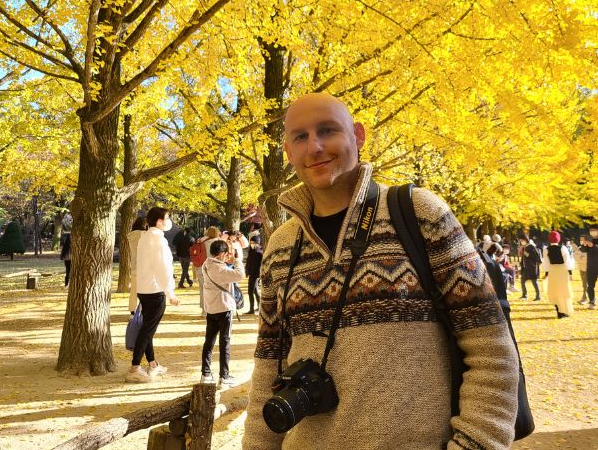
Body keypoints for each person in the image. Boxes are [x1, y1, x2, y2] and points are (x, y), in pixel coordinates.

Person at [242, 92, 518, 450]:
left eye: (328, 130)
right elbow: (268, 371)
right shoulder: (281, 246)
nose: (315, 146)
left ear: (358, 135)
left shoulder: (420, 214)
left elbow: (492, 352)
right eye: (300, 136)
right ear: (288, 151)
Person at [126, 207, 180, 383]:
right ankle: (135, 367)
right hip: (155, 290)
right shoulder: (158, 240)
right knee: (147, 330)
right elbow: (162, 267)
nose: (168, 221)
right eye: (167, 218)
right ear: (159, 221)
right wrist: (170, 292)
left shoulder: (144, 237)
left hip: (143, 288)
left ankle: (153, 364)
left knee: (147, 329)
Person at [200, 239, 245, 387]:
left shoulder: (206, 264)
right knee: (225, 342)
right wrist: (237, 260)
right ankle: (224, 376)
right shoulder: (221, 269)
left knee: (209, 341)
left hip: (211, 308)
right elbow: (240, 275)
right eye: (226, 254)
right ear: (222, 254)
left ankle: (205, 373)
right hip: (224, 308)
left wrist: (228, 260)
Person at [542, 230, 574, 318]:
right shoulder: (563, 248)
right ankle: (564, 311)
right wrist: (570, 273)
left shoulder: (546, 249)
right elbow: (567, 261)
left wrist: (546, 274)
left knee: (555, 291)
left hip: (553, 271)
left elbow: (546, 263)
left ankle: (559, 312)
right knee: (564, 291)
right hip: (562, 270)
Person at [128, 217, 148, 313]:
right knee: (146, 290)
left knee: (134, 290)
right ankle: (144, 309)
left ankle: (132, 310)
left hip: (135, 265)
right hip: (145, 266)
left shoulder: (130, 236)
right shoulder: (144, 234)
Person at [519, 234, 542, 301]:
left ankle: (538, 296)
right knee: (522, 280)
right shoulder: (524, 247)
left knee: (534, 281)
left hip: (532, 267)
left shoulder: (531, 246)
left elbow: (535, 257)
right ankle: (524, 295)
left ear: (525, 240)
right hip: (525, 267)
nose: (521, 242)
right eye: (520, 240)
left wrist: (525, 253)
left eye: (522, 240)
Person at [579, 227, 598, 309]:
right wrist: (584, 244)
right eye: (591, 230)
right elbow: (583, 250)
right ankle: (592, 301)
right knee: (590, 285)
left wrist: (593, 246)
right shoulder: (589, 239)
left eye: (594, 230)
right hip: (591, 266)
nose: (592, 232)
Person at [246, 235, 263, 314]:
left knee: (250, 291)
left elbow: (260, 265)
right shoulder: (251, 251)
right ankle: (259, 307)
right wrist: (247, 271)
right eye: (251, 242)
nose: (252, 244)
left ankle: (251, 309)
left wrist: (258, 274)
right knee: (255, 291)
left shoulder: (259, 252)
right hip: (251, 274)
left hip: (256, 274)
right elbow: (248, 262)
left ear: (258, 243)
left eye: (254, 243)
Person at [575, 236, 589, 304]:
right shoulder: (579, 248)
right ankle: (589, 297)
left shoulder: (590, 248)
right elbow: (575, 256)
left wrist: (581, 257)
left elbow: (588, 259)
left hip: (588, 268)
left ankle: (584, 298)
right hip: (581, 268)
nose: (581, 241)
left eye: (582, 240)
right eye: (580, 240)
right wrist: (581, 257)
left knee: (585, 284)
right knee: (584, 284)